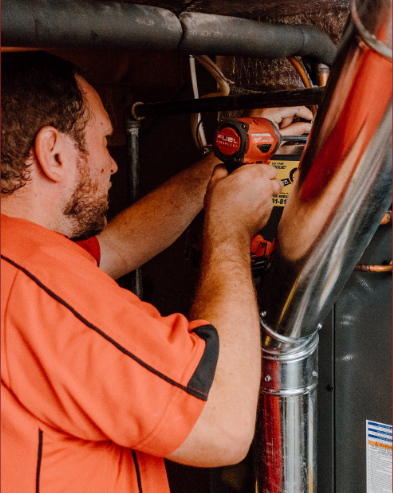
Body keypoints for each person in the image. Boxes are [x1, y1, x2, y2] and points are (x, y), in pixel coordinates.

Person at [1, 51, 313, 493]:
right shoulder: (42, 287)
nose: (113, 164)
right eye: (104, 143)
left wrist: (231, 155)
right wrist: (227, 230)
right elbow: (222, 423)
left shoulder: (18, 257)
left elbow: (121, 244)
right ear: (53, 154)